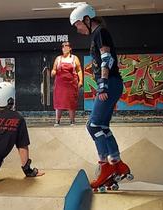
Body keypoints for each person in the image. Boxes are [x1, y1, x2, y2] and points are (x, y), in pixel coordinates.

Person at [69, 4, 131, 190]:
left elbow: (107, 58)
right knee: (103, 126)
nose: (78, 30)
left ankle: (104, 167)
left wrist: (102, 84)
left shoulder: (100, 33)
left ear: (87, 20)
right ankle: (118, 163)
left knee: (93, 125)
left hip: (110, 82)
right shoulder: (98, 34)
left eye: (78, 25)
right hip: (113, 83)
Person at [51, 42, 83, 126]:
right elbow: (54, 69)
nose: (64, 49)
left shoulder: (74, 58)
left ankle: (72, 121)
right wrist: (53, 72)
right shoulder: (58, 59)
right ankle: (57, 121)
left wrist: (81, 81)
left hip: (71, 84)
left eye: (66, 47)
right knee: (58, 102)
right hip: (60, 85)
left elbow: (79, 70)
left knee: (71, 102)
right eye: (63, 47)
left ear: (70, 48)